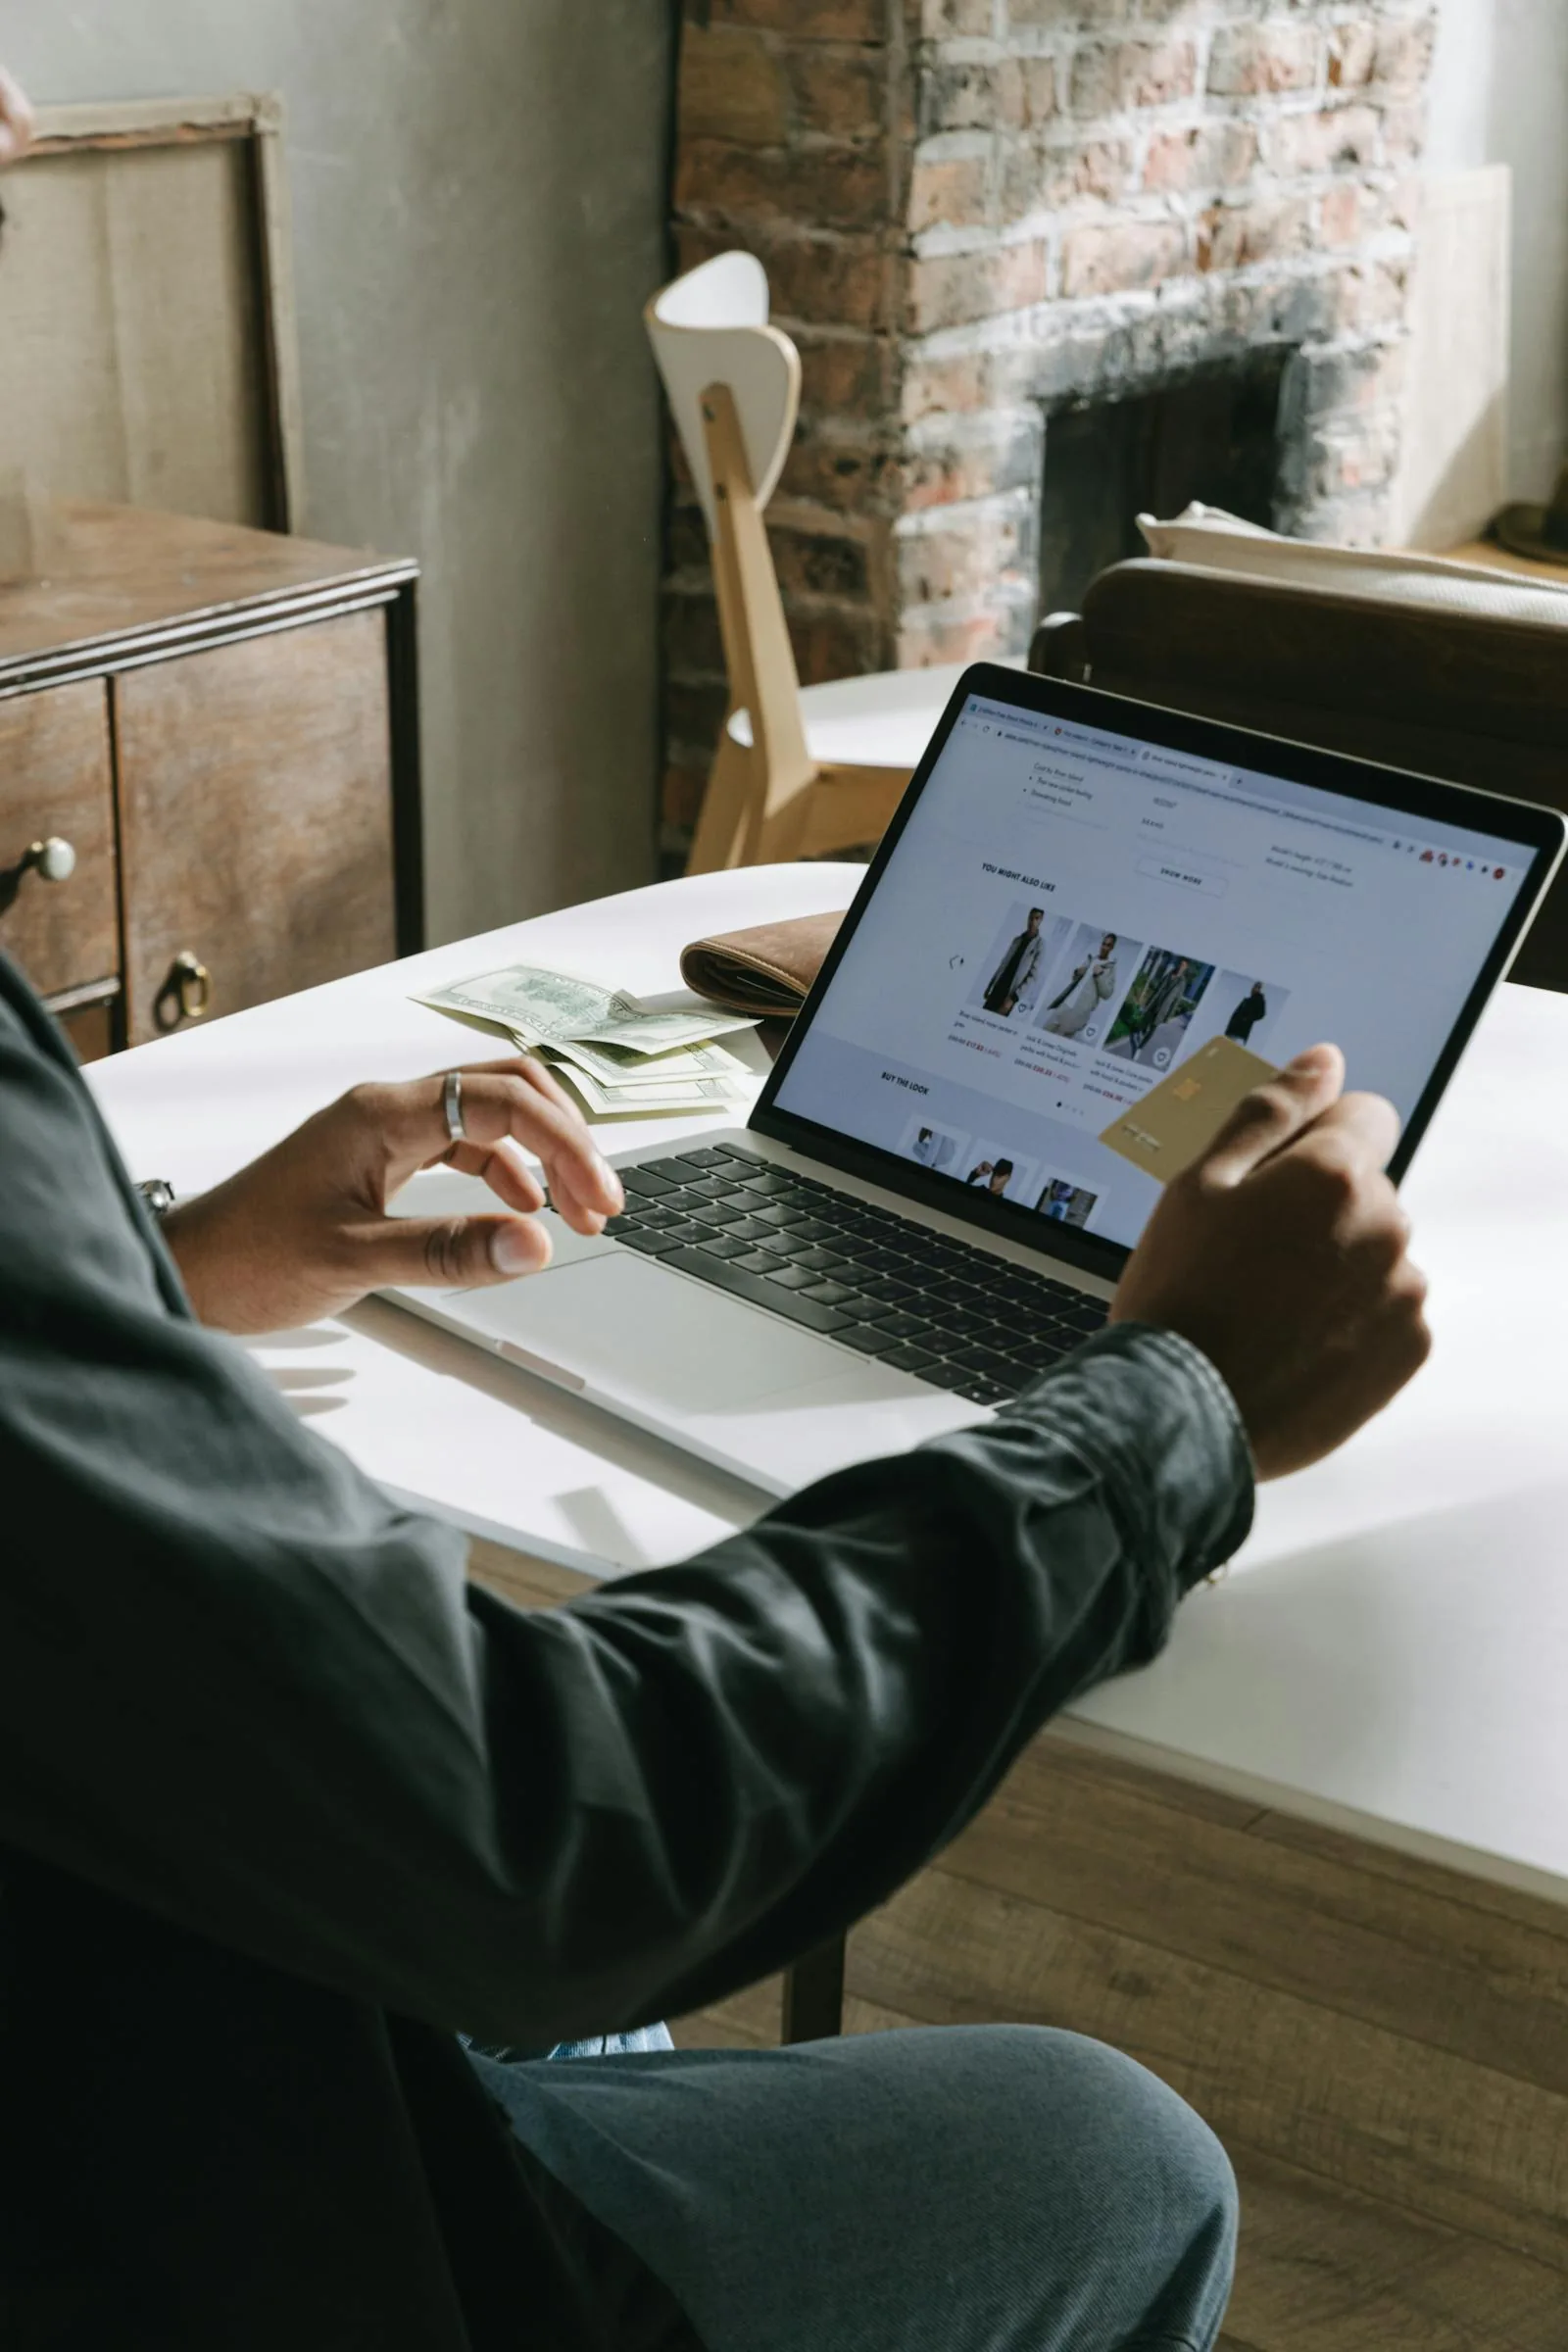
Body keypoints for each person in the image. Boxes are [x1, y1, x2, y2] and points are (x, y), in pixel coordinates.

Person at [0, 67, 1434, 2352]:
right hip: (173, 2171)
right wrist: (1173, 1400)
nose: (17, 117)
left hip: (146, 1961)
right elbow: (538, 1836)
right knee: (1108, 2153)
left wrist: (153, 1270)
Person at [1041, 931, 1118, 1039]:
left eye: (1108, 945)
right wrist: (1077, 972)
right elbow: (1075, 978)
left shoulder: (1110, 969)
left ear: (1112, 948)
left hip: (1079, 1011)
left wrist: (1099, 975)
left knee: (1061, 1040)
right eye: (1103, 944)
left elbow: (1107, 994)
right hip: (1066, 1003)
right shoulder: (1091, 959)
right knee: (1044, 1030)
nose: (1104, 947)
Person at [983, 906, 1045, 1016]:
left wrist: (1014, 998)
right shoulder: (1017, 940)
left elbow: (1033, 976)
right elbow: (1003, 964)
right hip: (998, 987)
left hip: (1010, 994)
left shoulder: (1039, 945)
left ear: (1041, 921)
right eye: (1031, 918)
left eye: (1037, 918)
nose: (1033, 922)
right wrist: (990, 985)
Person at [1227, 981, 1269, 1046]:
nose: (1254, 989)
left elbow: (1261, 1014)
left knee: (1234, 1047)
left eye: (1258, 987)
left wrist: (1247, 1018)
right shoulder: (1246, 1001)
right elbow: (1236, 1014)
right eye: (1254, 987)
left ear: (1260, 990)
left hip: (1241, 1033)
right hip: (1232, 1031)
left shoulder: (1259, 1000)